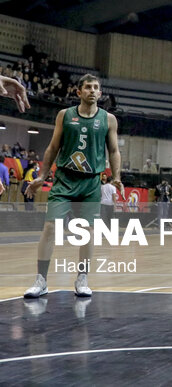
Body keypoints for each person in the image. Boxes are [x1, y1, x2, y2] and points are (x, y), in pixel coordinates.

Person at [24, 74, 122, 299]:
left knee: (87, 232)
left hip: (91, 183)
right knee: (50, 228)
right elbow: (53, 147)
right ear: (79, 92)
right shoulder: (64, 115)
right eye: (88, 87)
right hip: (65, 180)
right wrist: (42, 175)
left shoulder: (108, 119)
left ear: (99, 93)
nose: (92, 91)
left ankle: (82, 278)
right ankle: (41, 280)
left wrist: (116, 176)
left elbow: (114, 151)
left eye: (96, 87)